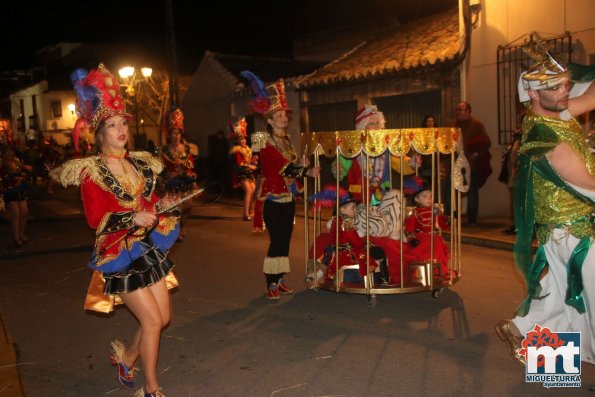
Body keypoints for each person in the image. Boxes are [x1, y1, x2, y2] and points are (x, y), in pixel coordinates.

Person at [50, 64, 181, 397]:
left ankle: (128, 358)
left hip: (145, 249)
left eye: (123, 123)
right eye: (112, 125)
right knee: (152, 321)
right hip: (118, 255)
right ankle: (151, 389)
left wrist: (162, 205)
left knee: (161, 318)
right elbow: (95, 219)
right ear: (100, 132)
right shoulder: (91, 171)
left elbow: (148, 204)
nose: (121, 129)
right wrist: (132, 218)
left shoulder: (138, 163)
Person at [495, 43, 595, 367]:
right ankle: (528, 337)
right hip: (575, 233)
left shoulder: (555, 114)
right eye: (555, 87)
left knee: (564, 297)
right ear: (535, 94)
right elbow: (590, 182)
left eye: (566, 83)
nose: (565, 90)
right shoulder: (547, 138)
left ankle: (528, 338)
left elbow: (591, 97)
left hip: (569, 229)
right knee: (582, 301)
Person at [240, 70, 320, 300]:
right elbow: (279, 167)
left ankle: (281, 279)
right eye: (280, 115)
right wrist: (306, 171)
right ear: (270, 120)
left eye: (285, 114)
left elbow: (290, 166)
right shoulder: (263, 140)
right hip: (272, 198)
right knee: (277, 240)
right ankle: (270, 284)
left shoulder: (286, 140)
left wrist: (304, 166)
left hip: (287, 197)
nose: (285, 117)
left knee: (285, 240)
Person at [307, 186, 389, 285]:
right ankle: (383, 278)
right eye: (353, 208)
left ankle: (378, 277)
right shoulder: (347, 222)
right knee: (379, 251)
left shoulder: (336, 219)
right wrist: (364, 243)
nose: (355, 210)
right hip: (348, 253)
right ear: (343, 209)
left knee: (373, 249)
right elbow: (355, 241)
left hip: (340, 250)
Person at [449, 101, 492, 225]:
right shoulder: (452, 125)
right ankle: (453, 217)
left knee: (472, 190)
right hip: (455, 163)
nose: (458, 112)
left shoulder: (477, 125)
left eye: (461, 109)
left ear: (468, 111)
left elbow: (486, 143)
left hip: (471, 164)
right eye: (457, 109)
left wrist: (476, 154)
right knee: (454, 190)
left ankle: (472, 219)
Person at [160, 108, 198, 242]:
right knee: (176, 210)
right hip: (172, 185)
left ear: (181, 134)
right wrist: (168, 174)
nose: (176, 136)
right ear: (170, 135)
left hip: (186, 183)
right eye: (174, 133)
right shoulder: (165, 150)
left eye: (178, 133)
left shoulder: (188, 149)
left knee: (188, 207)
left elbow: (191, 166)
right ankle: (176, 230)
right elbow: (161, 169)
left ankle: (182, 226)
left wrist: (192, 174)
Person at [403, 177, 451, 278]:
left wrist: (446, 220)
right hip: (420, 238)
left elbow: (441, 223)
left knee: (438, 245)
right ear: (417, 199)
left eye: (430, 196)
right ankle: (419, 273)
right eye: (425, 196)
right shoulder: (414, 212)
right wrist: (411, 238)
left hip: (433, 237)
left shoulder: (435, 210)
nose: (429, 199)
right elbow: (409, 228)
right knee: (418, 252)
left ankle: (437, 271)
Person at [0, 146, 31, 248]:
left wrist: (24, 173)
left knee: (24, 212)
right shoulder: (2, 164)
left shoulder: (17, 161)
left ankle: (21, 233)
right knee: (15, 214)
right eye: (7, 152)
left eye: (11, 151)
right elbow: (3, 178)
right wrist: (13, 180)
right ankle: (16, 237)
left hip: (20, 189)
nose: (9, 154)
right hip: (9, 191)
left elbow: (23, 171)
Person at [229, 117, 257, 220]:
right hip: (241, 174)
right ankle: (245, 214)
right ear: (237, 140)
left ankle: (251, 211)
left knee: (255, 191)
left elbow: (250, 162)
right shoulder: (237, 150)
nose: (243, 141)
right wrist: (250, 164)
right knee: (249, 191)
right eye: (240, 139)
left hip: (249, 173)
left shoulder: (248, 149)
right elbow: (240, 163)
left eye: (244, 138)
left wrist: (253, 160)